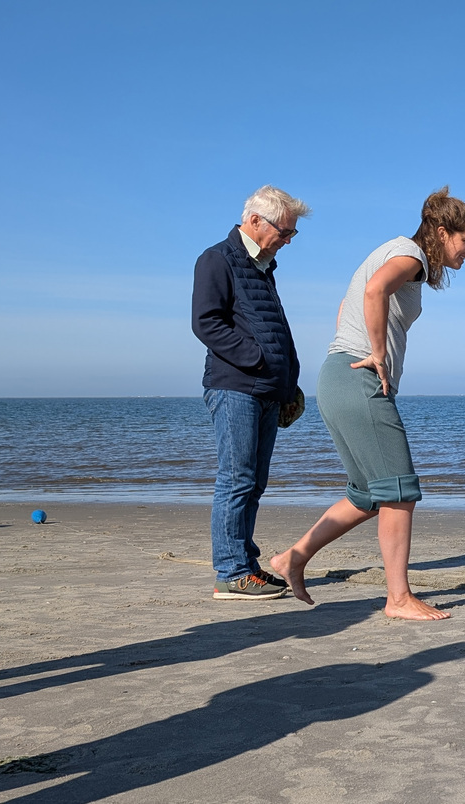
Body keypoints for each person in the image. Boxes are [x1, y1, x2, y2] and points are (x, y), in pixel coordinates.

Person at [269, 187, 465, 621]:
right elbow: (374, 291)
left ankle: (293, 558)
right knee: (400, 490)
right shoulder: (412, 257)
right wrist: (377, 354)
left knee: (367, 495)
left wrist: (354, 350)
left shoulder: (391, 249)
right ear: (442, 232)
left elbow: (351, 299)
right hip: (358, 378)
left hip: (336, 376)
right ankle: (398, 599)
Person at [191, 186, 310, 600]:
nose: (288, 240)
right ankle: (230, 572)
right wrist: (258, 359)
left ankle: (244, 563)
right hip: (235, 387)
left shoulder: (264, 266)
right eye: (285, 231)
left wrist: (288, 380)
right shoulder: (217, 258)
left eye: (293, 234)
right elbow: (206, 323)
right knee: (237, 480)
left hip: (267, 390)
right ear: (256, 221)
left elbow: (275, 327)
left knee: (253, 483)